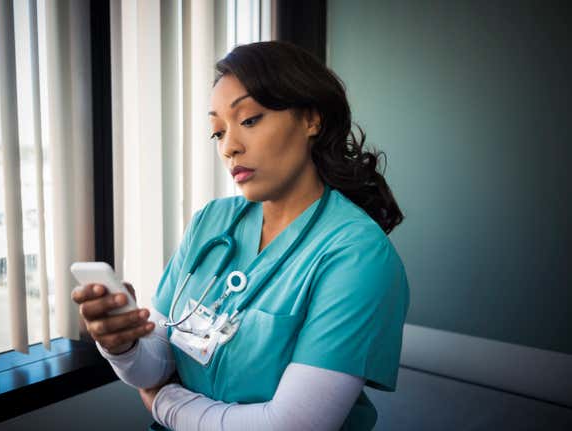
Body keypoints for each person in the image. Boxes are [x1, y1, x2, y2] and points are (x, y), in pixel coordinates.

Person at [72, 41, 409, 430]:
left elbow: (290, 426)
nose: (229, 146)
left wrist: (164, 401)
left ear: (311, 120)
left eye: (249, 120)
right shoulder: (211, 223)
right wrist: (123, 344)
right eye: (218, 132)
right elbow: (155, 365)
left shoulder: (358, 255)